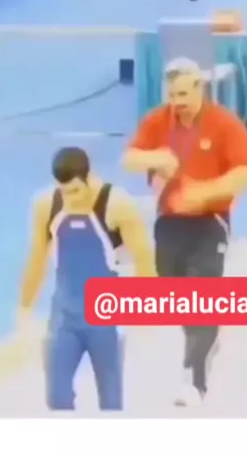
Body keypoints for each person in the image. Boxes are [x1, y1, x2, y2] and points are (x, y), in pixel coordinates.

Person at [122, 58, 247, 407]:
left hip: (210, 222)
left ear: (200, 88)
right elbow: (130, 158)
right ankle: (205, 334)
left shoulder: (224, 123)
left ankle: (194, 377)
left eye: (184, 94)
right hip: (170, 221)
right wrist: (156, 159)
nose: (178, 102)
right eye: (172, 95)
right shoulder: (158, 119)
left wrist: (206, 192)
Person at [18, 146, 155, 411]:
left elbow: (144, 258)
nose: (70, 199)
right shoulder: (46, 204)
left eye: (76, 191)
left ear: (89, 177)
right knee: (57, 398)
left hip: (107, 321)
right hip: (64, 318)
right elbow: (36, 259)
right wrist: (24, 309)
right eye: (64, 192)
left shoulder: (117, 203)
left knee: (110, 400)